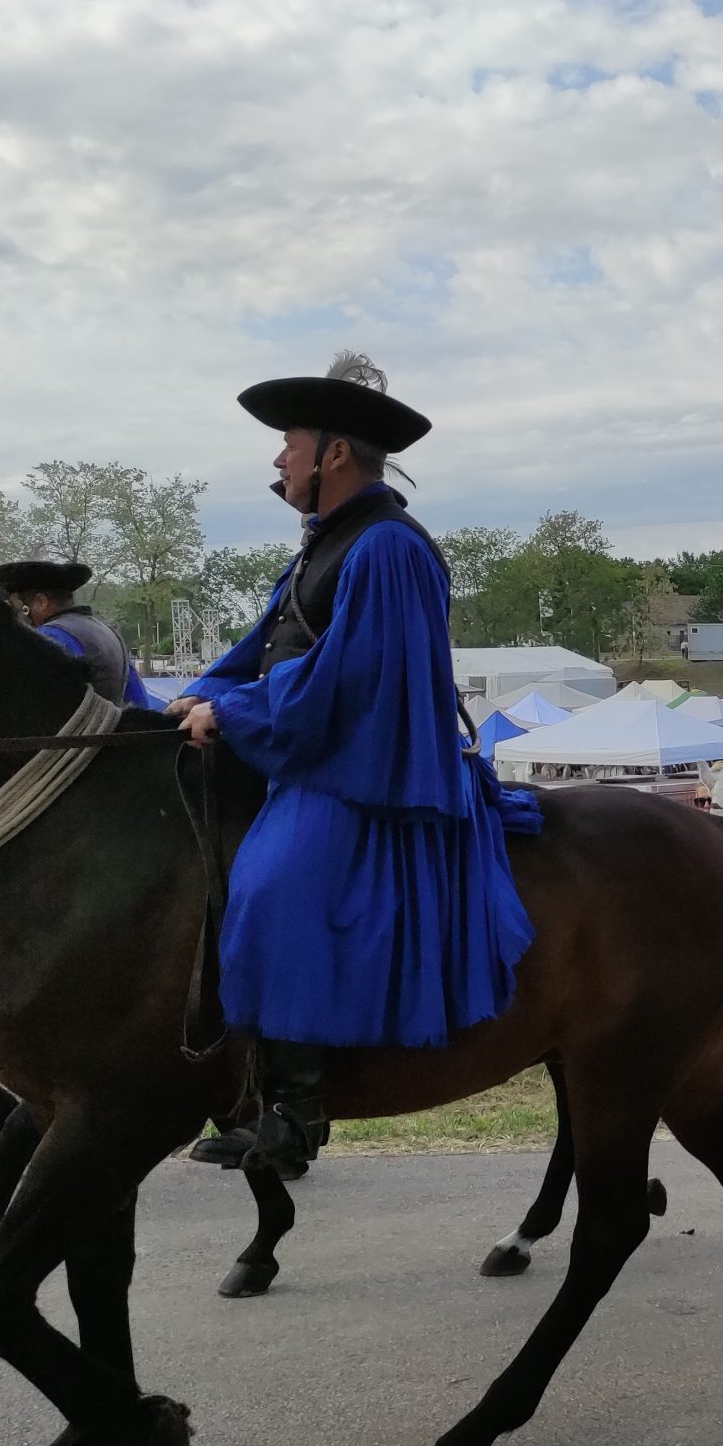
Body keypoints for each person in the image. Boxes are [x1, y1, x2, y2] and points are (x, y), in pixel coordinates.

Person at [172, 352, 539, 1176]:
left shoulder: (386, 548)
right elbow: (263, 645)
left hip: (366, 768)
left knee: (272, 884)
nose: (278, 460)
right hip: (310, 746)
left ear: (335, 454)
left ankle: (295, 1112)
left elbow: (351, 680)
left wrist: (229, 713)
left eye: (289, 445)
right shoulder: (322, 545)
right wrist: (193, 694)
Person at [0, 557, 154, 708]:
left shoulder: (49, 636)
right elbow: (139, 702)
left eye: (14, 607)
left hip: (72, 745)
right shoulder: (109, 633)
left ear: (41, 602)